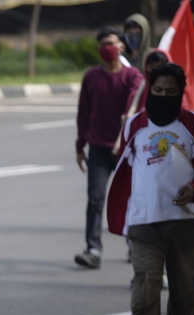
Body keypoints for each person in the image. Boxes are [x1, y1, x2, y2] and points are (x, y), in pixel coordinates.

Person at [107, 63, 194, 315]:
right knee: (146, 284)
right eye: (158, 91)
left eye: (171, 92)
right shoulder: (133, 125)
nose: (163, 95)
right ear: (149, 90)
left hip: (184, 223)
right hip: (144, 222)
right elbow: (124, 168)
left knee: (187, 288)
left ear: (180, 92)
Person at [74, 27, 143, 269]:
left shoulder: (133, 77)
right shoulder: (91, 77)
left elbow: (136, 98)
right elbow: (83, 114)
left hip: (126, 150)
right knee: (95, 199)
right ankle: (93, 250)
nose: (106, 48)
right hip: (98, 150)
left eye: (111, 43)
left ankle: (135, 247)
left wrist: (130, 113)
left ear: (122, 47)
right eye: (102, 44)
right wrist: (79, 146)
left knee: (132, 201)